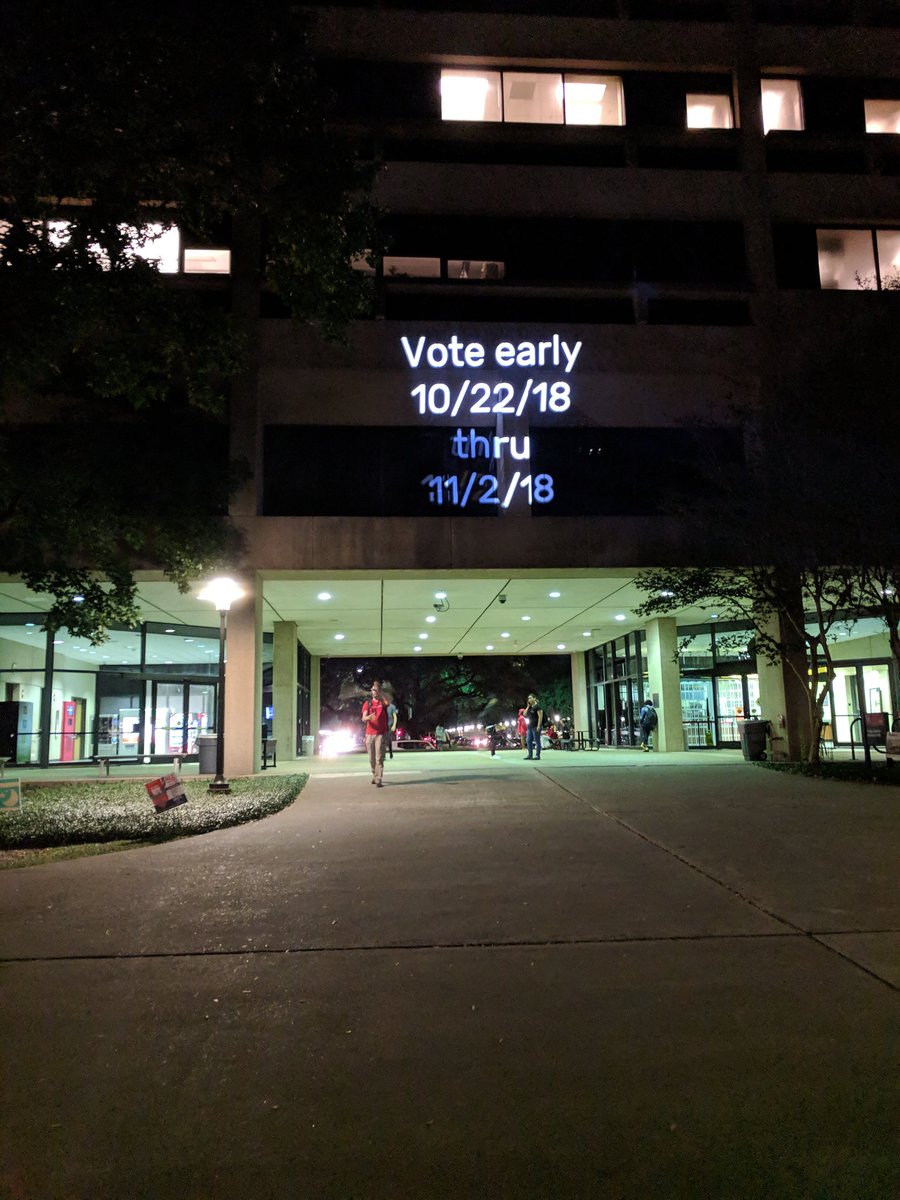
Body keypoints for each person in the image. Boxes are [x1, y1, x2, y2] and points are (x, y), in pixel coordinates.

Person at [361, 682, 389, 785]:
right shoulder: (367, 704)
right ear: (371, 692)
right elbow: (363, 718)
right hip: (369, 733)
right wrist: (369, 717)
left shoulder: (382, 703)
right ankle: (374, 774)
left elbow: (388, 702)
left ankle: (378, 778)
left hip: (380, 734)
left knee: (379, 757)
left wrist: (381, 692)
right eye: (373, 690)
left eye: (376, 690)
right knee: (371, 759)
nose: (375, 692)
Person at [523, 693, 544, 761]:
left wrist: (538, 726)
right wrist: (528, 706)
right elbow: (524, 714)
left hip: (535, 726)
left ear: (534, 698)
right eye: (528, 698)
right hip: (530, 727)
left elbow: (540, 717)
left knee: (537, 741)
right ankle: (530, 755)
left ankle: (537, 755)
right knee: (528, 740)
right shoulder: (530, 707)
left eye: (531, 698)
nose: (529, 699)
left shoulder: (538, 707)